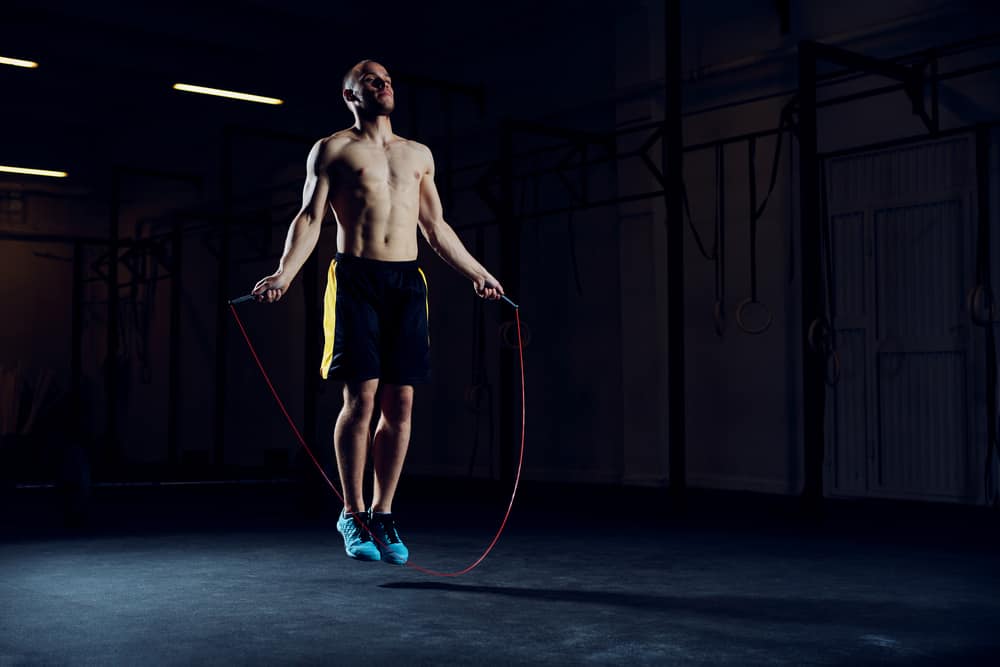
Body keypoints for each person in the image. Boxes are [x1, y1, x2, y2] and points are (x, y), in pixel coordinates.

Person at [252, 60, 504, 564]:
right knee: (361, 398)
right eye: (370, 79)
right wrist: (283, 274)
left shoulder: (418, 155)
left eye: (387, 78)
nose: (383, 84)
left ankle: (384, 513)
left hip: (407, 283)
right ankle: (352, 512)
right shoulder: (333, 150)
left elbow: (435, 226)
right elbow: (310, 218)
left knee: (401, 405)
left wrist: (478, 271)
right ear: (350, 95)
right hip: (356, 280)